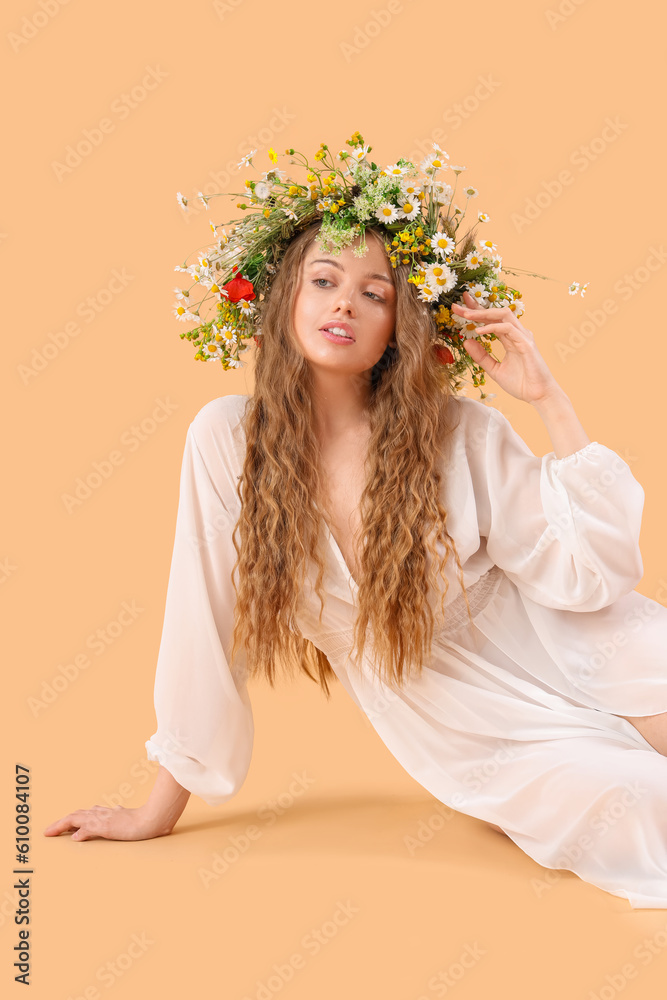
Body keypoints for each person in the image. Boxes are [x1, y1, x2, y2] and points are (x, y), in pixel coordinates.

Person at [44, 154, 667, 911]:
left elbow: (591, 574)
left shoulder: (459, 431)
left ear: (399, 326)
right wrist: (157, 808)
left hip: (574, 646)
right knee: (637, 801)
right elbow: (202, 622)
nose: (344, 304)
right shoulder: (226, 439)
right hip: (464, 716)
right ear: (282, 299)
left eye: (374, 294)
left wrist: (547, 398)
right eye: (324, 281)